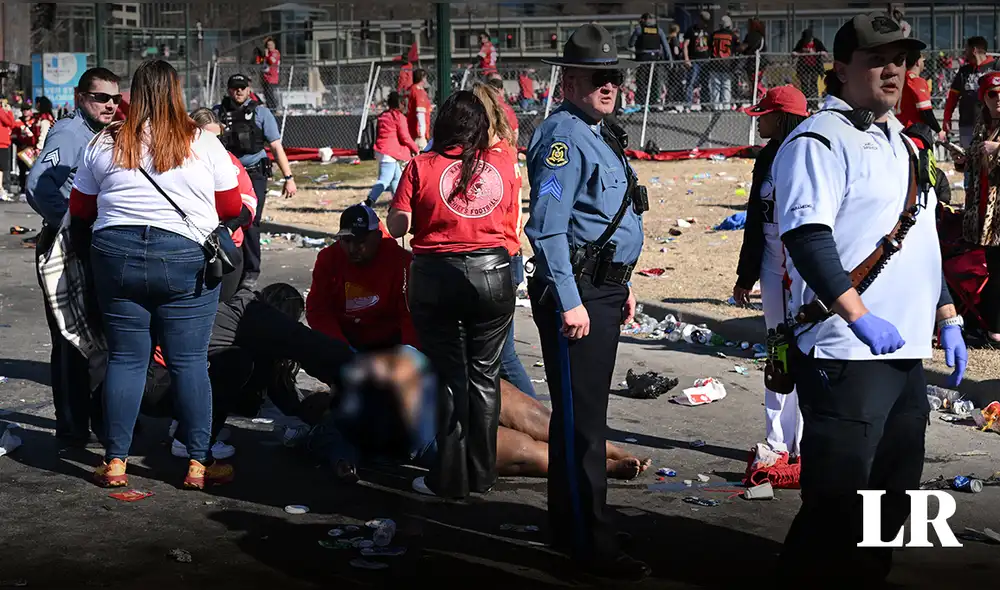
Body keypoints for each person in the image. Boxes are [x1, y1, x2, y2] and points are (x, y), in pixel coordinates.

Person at [772, 15, 966, 585]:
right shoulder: (818, 139)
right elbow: (807, 237)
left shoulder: (904, 143)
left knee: (892, 498)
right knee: (837, 502)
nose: (893, 70)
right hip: (845, 351)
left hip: (903, 348)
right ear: (840, 66)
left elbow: (919, 239)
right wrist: (856, 315)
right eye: (878, 58)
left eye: (902, 59)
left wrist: (947, 314)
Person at [69, 60, 243, 490]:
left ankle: (115, 462)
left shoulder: (107, 141)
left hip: (116, 255)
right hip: (184, 257)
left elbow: (80, 210)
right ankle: (199, 464)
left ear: (135, 94)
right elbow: (232, 207)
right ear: (177, 92)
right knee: (189, 363)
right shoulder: (202, 141)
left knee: (127, 360)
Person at [528, 24, 648, 581]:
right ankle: (588, 541)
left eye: (615, 76)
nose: (610, 86)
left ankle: (574, 521)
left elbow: (607, 218)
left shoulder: (598, 132)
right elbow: (548, 228)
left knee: (581, 418)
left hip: (602, 289)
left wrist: (621, 286)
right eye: (599, 77)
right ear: (570, 81)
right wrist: (574, 301)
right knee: (583, 426)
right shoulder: (561, 139)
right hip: (577, 294)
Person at [387, 91, 519, 500]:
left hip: (437, 277)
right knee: (485, 378)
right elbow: (511, 214)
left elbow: (397, 226)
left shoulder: (420, 166)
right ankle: (482, 473)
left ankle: (449, 476)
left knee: (449, 377)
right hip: (492, 275)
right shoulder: (501, 163)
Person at [25, 67, 121, 448]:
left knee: (94, 337)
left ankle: (97, 418)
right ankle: (72, 426)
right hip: (67, 245)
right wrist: (70, 222)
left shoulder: (102, 132)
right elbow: (37, 185)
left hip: (89, 243)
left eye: (114, 98)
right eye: (101, 97)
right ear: (81, 97)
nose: (110, 105)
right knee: (70, 338)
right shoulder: (69, 132)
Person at [733, 85, 808, 483]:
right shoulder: (766, 156)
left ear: (781, 117)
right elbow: (755, 223)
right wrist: (746, 275)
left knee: (809, 352)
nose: (758, 121)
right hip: (771, 268)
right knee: (779, 350)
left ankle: (808, 442)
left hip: (807, 270)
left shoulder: (812, 152)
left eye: (763, 115)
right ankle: (778, 442)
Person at [472, 81, 535, 399]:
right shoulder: (507, 152)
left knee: (502, 354)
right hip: (509, 253)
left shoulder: (490, 161)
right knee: (495, 353)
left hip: (497, 258)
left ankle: (541, 424)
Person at [214, 73, 298, 290]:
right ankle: (232, 266)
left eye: (242, 87)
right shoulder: (218, 113)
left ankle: (251, 271)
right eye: (234, 87)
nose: (238, 91)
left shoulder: (261, 113)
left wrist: (289, 178)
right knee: (225, 221)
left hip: (254, 173)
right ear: (228, 89)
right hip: (227, 174)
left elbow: (276, 147)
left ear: (249, 88)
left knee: (250, 220)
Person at [307, 204, 419, 351]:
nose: (353, 249)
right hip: (345, 339)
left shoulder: (400, 261)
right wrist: (341, 348)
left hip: (390, 343)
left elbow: (410, 315)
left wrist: (408, 351)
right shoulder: (329, 259)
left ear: (378, 237)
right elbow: (318, 309)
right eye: (347, 241)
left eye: (361, 242)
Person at [190, 107, 258, 301]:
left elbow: (249, 201)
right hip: (190, 247)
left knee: (223, 309)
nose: (215, 145)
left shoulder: (230, 161)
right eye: (207, 139)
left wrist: (228, 228)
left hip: (226, 248)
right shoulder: (180, 160)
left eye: (218, 139)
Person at [959, 72, 1000, 343]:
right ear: (983, 98)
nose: (998, 100)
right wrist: (963, 159)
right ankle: (993, 326)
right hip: (986, 209)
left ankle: (995, 327)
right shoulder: (981, 125)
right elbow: (976, 163)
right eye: (992, 94)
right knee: (994, 267)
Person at [943, 37, 1000, 150]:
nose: (964, 53)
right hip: (967, 123)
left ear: (973, 50)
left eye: (966, 49)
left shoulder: (996, 66)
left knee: (990, 155)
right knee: (968, 156)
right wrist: (946, 118)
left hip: (991, 124)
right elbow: (952, 97)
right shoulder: (964, 71)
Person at [365, 91, 419, 207]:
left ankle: (397, 201)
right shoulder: (399, 117)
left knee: (397, 178)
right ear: (399, 104)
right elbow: (405, 137)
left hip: (382, 150)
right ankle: (369, 200)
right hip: (389, 152)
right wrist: (415, 149)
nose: (405, 106)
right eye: (403, 104)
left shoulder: (384, 116)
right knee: (384, 180)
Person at [896, 50, 944, 137]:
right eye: (922, 60)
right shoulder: (916, 81)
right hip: (914, 131)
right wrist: (939, 130)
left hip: (899, 127)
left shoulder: (900, 79)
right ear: (917, 62)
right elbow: (925, 112)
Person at [627, 13, 671, 108]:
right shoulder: (658, 30)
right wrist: (669, 59)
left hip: (642, 58)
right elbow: (666, 46)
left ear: (643, 19)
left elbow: (630, 44)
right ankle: (653, 102)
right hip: (655, 59)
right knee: (654, 81)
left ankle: (642, 103)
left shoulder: (639, 29)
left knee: (642, 81)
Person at [709, 15, 739, 111]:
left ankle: (716, 105)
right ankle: (726, 105)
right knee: (726, 85)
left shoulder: (714, 35)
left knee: (716, 85)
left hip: (715, 62)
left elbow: (709, 47)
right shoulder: (732, 36)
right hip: (727, 63)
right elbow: (736, 48)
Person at [683, 11, 712, 107]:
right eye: (703, 21)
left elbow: (710, 45)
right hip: (694, 60)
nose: (704, 23)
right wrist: (686, 58)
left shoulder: (708, 31)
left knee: (705, 82)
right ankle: (688, 104)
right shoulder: (691, 30)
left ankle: (705, 104)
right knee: (691, 81)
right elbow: (685, 45)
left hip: (705, 61)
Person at [792, 29, 829, 99]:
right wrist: (797, 53)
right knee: (804, 83)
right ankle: (806, 100)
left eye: (807, 39)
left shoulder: (816, 42)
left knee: (813, 83)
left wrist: (819, 53)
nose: (806, 41)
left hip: (815, 66)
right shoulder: (801, 42)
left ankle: (814, 102)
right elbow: (794, 52)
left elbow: (825, 53)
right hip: (804, 67)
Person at [406, 69, 432, 150]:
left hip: (413, 130)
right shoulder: (418, 91)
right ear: (422, 78)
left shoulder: (412, 89)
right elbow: (420, 113)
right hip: (418, 132)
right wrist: (422, 134)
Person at [260, 37, 281, 109]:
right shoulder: (267, 54)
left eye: (271, 45)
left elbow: (272, 61)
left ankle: (273, 109)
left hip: (272, 78)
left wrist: (267, 55)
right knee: (266, 95)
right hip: (265, 78)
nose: (270, 47)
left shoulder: (275, 53)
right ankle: (269, 108)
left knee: (271, 95)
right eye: (268, 45)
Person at [0, 99, 15, 199]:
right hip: (2, 143)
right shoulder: (1, 111)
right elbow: (11, 123)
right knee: (3, 167)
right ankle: (3, 188)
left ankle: (1, 188)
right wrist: (9, 111)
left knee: (1, 169)